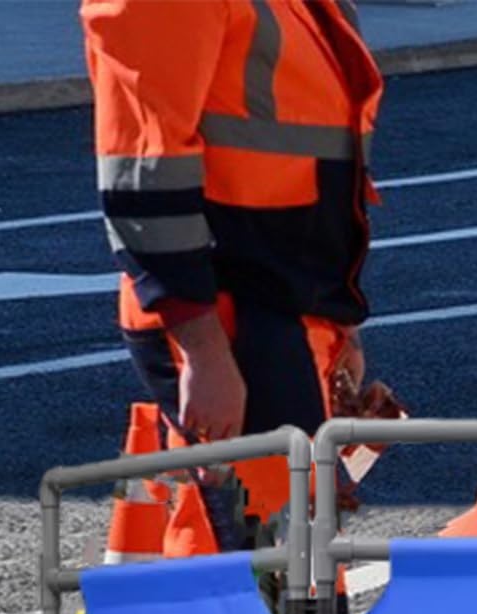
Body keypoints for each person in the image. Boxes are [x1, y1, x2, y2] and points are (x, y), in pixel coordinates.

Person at [80, 0, 384, 553]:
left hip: (279, 313)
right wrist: (203, 351)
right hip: (230, 319)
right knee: (282, 570)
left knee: (254, 556)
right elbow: (145, 171)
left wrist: (340, 324)